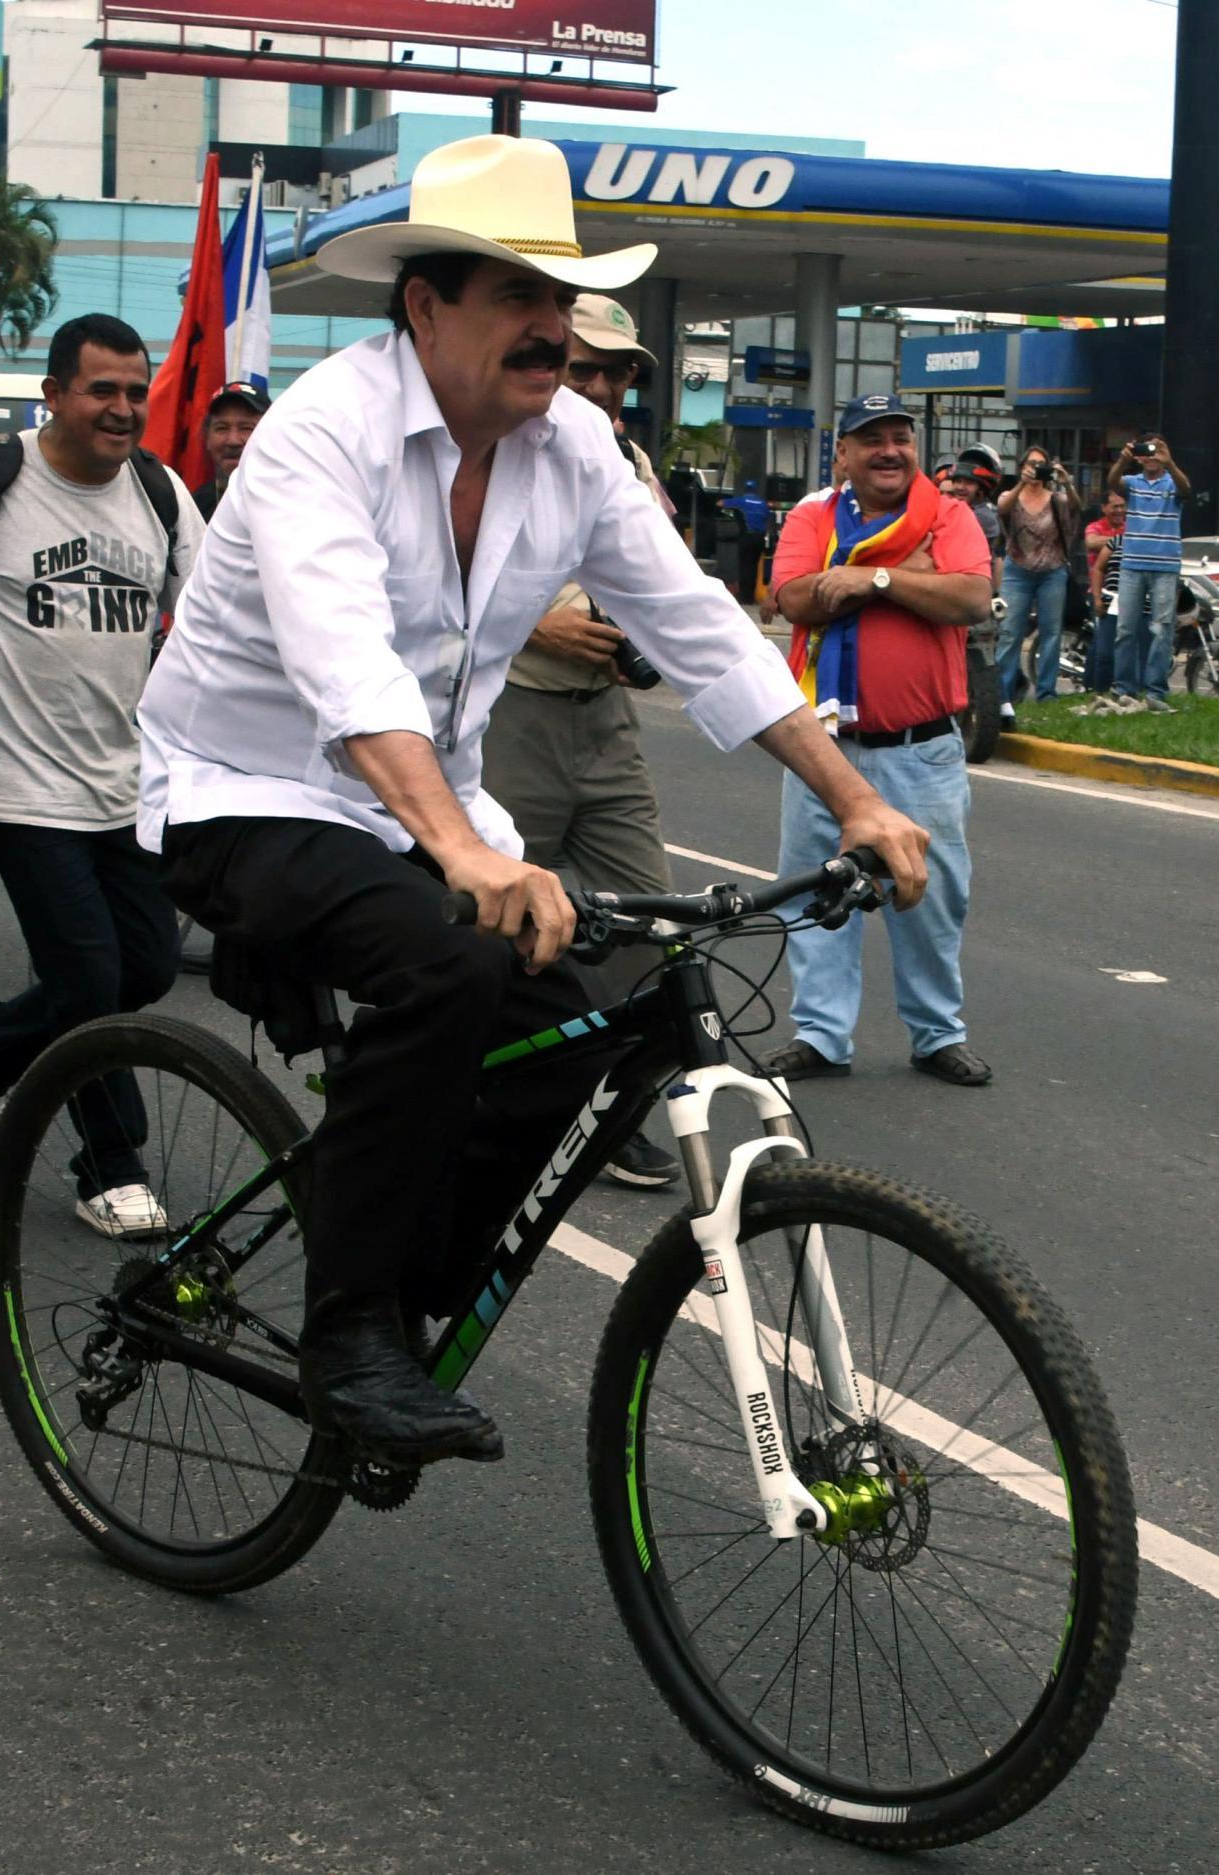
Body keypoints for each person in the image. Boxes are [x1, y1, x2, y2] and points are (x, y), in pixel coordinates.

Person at [134, 135, 930, 1466]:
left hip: (420, 808)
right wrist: (457, 845)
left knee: (586, 1031)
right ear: (425, 309)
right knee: (445, 965)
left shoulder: (572, 448)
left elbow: (700, 627)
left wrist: (856, 796)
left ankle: (406, 1277)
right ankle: (350, 1336)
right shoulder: (317, 435)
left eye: (562, 301)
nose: (552, 328)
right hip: (249, 791)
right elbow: (345, 659)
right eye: (517, 296)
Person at [0, 314, 201, 1239]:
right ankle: (111, 1166)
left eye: (135, 392)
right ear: (54, 394)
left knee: (144, 965)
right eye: (101, 390)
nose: (122, 409)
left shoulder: (160, 492)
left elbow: (207, 623)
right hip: (7, 781)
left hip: (122, 784)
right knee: (89, 974)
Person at [479, 291, 685, 1191]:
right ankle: (497, 1100)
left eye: (618, 372)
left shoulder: (628, 461)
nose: (602, 385)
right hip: (510, 709)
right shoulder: (493, 442)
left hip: (603, 720)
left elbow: (671, 589)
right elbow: (432, 589)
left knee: (645, 919)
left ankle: (612, 1107)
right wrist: (538, 628)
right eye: (587, 366)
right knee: (500, 924)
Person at [762, 392, 994, 1089]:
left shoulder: (949, 514)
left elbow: (971, 598)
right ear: (843, 453)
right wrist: (910, 577)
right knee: (815, 897)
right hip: (822, 748)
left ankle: (936, 1034)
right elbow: (794, 597)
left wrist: (871, 577)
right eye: (872, 439)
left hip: (921, 751)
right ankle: (821, 1036)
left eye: (901, 437)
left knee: (929, 894)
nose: (889, 450)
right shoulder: (811, 516)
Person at [1106, 433, 1187, 714]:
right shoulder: (1133, 483)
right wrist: (1123, 460)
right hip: (1132, 565)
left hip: (1165, 566)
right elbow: (1112, 483)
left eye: (1157, 450)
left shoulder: (1172, 481)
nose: (1151, 456)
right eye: (1147, 451)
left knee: (1162, 630)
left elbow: (1186, 490)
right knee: (1125, 629)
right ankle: (1123, 689)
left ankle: (1155, 691)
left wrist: (1170, 463)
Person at [994, 445, 1076, 717]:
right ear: (1022, 467)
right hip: (1018, 571)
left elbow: (1077, 508)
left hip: (1052, 571)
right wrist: (1022, 483)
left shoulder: (1057, 498)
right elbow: (1002, 507)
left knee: (1051, 634)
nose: (1036, 469)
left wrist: (1068, 484)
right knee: (1009, 633)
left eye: (1042, 464)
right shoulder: (1012, 495)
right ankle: (1001, 695)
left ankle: (1046, 694)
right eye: (1031, 464)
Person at [1074, 488, 1127, 712]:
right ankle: (1093, 687)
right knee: (1101, 644)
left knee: (1109, 643)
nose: (1119, 511)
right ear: (1104, 508)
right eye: (1114, 506)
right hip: (1098, 592)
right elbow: (1091, 542)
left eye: (1123, 506)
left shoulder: (1129, 526)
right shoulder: (1094, 527)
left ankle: (1100, 686)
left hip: (1124, 593)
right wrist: (1120, 540)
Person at [192, 379, 267, 520]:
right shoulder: (194, 507)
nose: (233, 441)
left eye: (246, 428)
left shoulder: (293, 501)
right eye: (222, 428)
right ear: (207, 438)